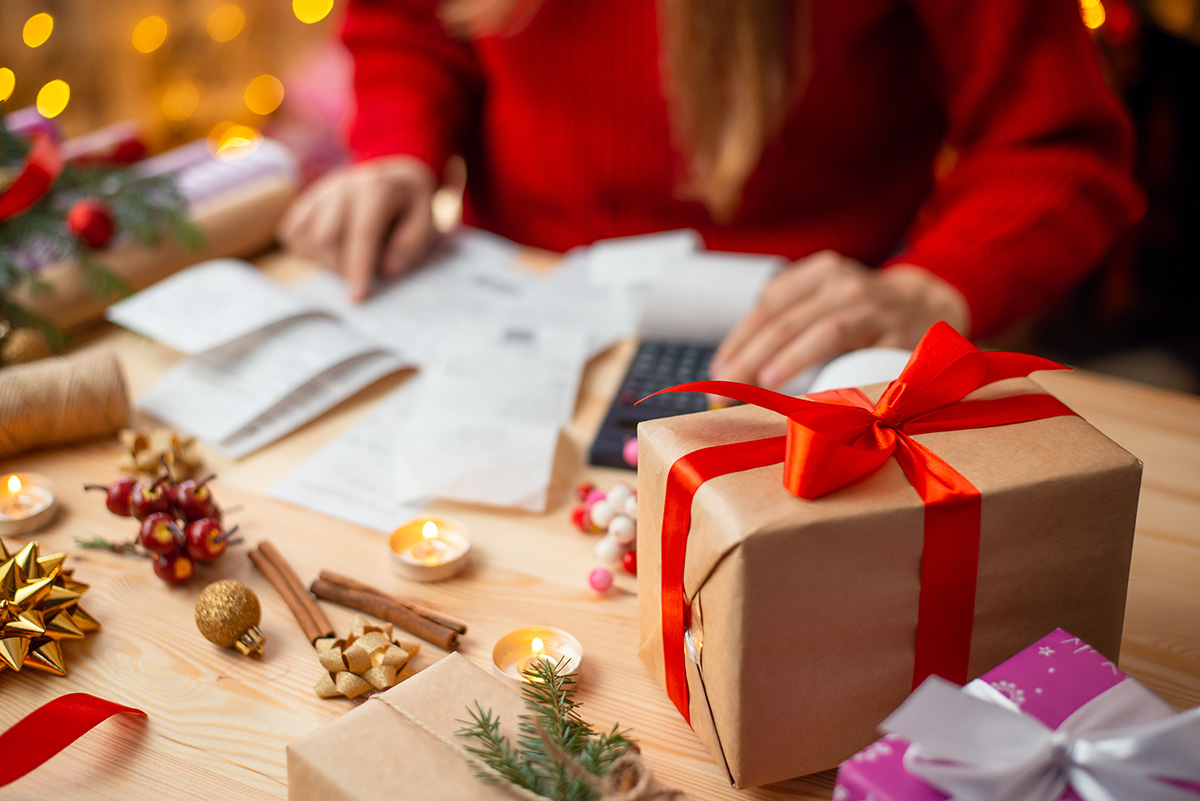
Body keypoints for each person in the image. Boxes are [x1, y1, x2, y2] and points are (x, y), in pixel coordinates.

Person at [278, 0, 1142, 390]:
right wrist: (398, 150)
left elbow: (1058, 149)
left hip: (791, 353)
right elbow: (409, 23)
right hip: (513, 318)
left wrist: (928, 285)